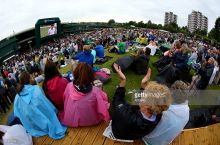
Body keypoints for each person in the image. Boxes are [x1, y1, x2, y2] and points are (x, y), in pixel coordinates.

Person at [103, 64, 171, 141]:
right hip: (134, 134)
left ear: (146, 105)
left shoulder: (125, 115)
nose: (141, 95)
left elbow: (117, 100)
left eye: (144, 95)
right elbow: (143, 103)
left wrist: (122, 82)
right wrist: (143, 86)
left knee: (111, 107)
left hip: (119, 133)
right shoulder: (158, 113)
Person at [14, 71, 67, 139]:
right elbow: (46, 105)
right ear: (29, 79)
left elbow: (17, 113)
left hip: (33, 125)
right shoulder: (36, 89)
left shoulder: (17, 97)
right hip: (41, 121)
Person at [58, 63, 110, 127]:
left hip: (72, 119)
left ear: (75, 74)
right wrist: (101, 90)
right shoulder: (95, 91)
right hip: (92, 121)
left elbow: (65, 100)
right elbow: (103, 104)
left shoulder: (69, 86)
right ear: (91, 75)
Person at [143, 80, 190, 145]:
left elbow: (145, 119)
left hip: (149, 140)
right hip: (164, 142)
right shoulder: (187, 111)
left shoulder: (163, 111)